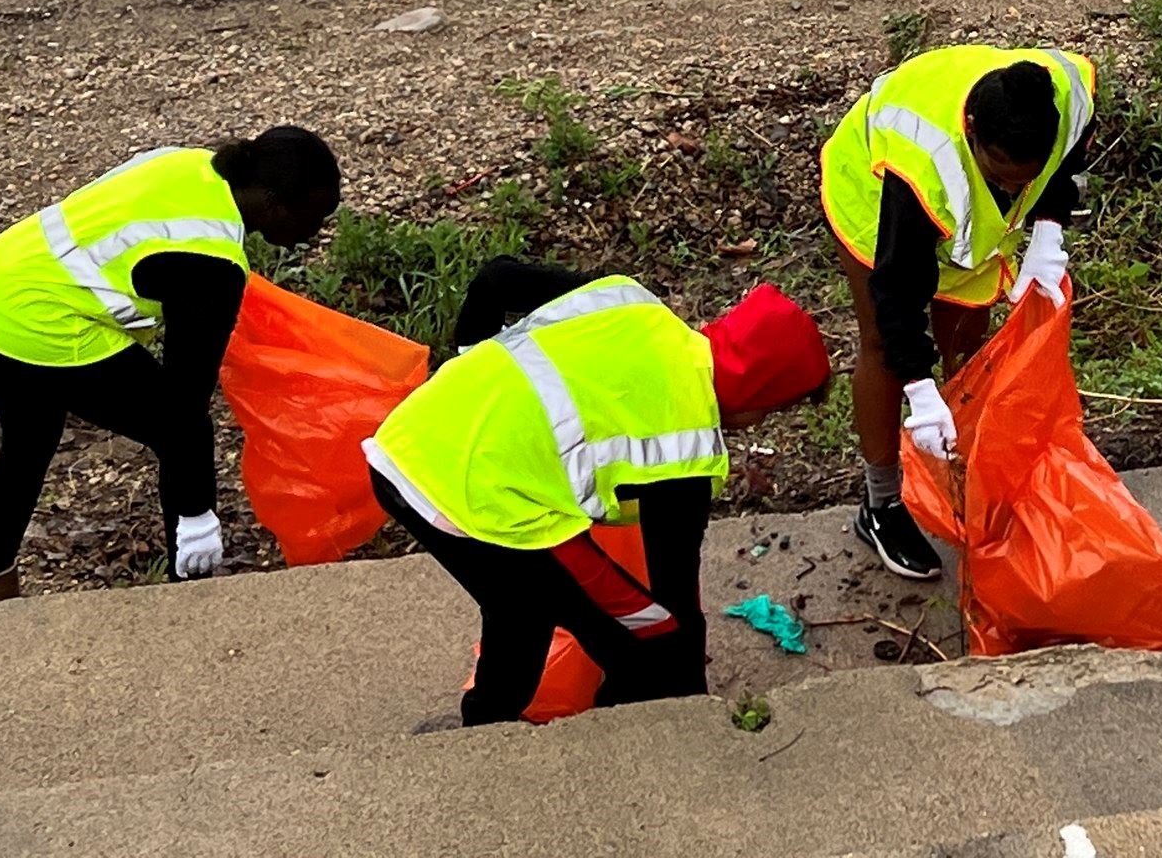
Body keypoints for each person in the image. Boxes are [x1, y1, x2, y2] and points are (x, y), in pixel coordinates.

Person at [364, 259, 831, 726]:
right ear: (760, 394)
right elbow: (676, 600)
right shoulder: (686, 443)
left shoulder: (631, 301)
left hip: (410, 438)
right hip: (469, 493)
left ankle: (485, 724)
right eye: (769, 413)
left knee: (520, 607)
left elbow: (496, 279)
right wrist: (696, 709)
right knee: (649, 638)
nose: (758, 425)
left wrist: (472, 358)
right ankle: (617, 735)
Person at [0, 128, 341, 600]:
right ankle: (187, 596)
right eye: (314, 218)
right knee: (175, 431)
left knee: (29, 444)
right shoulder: (212, 266)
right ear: (277, 203)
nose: (311, 236)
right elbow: (183, 406)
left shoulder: (191, 164)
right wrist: (198, 517)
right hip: (46, 319)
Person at [820, 45, 1095, 580]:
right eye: (1004, 176)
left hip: (964, 220)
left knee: (970, 349)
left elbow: (1071, 158)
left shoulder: (1067, 94)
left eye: (1026, 179)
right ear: (972, 133)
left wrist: (1048, 226)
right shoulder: (922, 160)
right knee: (882, 344)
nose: (1017, 189)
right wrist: (920, 393)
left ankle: (972, 481)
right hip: (872, 195)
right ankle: (881, 505)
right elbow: (897, 293)